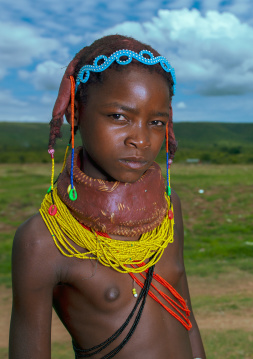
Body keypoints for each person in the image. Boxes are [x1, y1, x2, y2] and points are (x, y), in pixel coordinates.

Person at [9, 35, 206, 359]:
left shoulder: (168, 210)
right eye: (119, 116)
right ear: (76, 113)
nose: (140, 139)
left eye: (156, 122)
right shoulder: (42, 242)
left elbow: (185, 315)